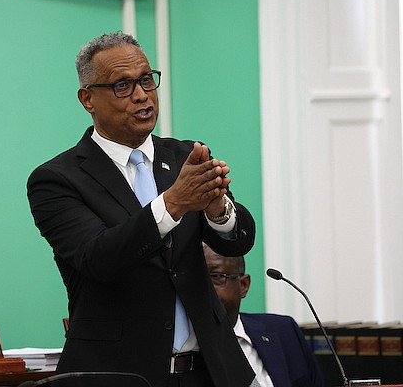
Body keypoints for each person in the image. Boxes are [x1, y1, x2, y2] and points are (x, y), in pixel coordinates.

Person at [27, 32, 257, 387]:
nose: (141, 95)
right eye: (122, 85)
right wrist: (174, 203)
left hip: (208, 372)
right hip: (120, 374)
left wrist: (217, 208)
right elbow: (99, 258)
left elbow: (238, 241)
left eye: (146, 80)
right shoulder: (57, 179)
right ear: (88, 98)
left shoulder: (185, 157)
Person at [203, 243, 324, 387]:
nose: (204, 288)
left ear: (243, 285)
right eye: (194, 279)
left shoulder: (283, 331)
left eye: (216, 276)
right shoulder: (180, 350)